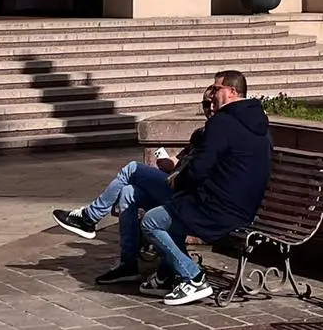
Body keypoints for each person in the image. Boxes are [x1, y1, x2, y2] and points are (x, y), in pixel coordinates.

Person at [51, 86, 216, 285]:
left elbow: (200, 172)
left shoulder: (219, 135)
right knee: (128, 192)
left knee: (132, 169)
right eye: (206, 104)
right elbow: (178, 161)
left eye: (214, 103)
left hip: (189, 196)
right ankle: (128, 263)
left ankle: (89, 217)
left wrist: (178, 174)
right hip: (175, 185)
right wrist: (167, 163)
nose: (210, 108)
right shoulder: (200, 134)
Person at [137, 69, 271, 306]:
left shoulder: (224, 121)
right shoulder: (256, 121)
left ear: (231, 91)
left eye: (216, 88)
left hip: (218, 208)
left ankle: (193, 277)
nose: (212, 94)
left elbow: (199, 168)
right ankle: (170, 275)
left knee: (151, 220)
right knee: (169, 211)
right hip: (242, 208)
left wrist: (178, 179)